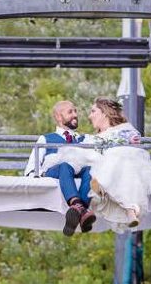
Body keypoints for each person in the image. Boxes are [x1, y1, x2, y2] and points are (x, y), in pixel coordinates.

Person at [55, 97, 151, 232]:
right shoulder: (95, 138)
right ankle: (127, 209)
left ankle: (117, 201)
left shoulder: (125, 130)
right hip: (111, 166)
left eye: (93, 111)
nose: (89, 116)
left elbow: (131, 141)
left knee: (118, 158)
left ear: (104, 113)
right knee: (99, 162)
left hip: (125, 164)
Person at [23, 100, 97, 236]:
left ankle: (78, 211)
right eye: (70, 112)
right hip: (54, 171)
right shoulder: (46, 139)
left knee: (92, 169)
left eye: (75, 111)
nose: (75, 115)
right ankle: (78, 205)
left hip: (76, 170)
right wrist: (33, 180)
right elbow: (33, 166)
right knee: (65, 166)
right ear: (58, 117)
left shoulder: (82, 139)